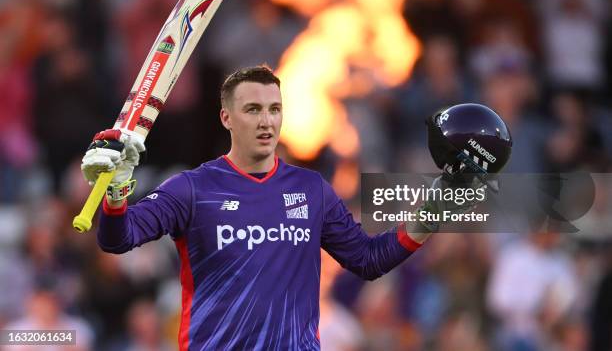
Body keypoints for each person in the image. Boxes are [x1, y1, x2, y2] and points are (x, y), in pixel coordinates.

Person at [81, 66, 510, 350]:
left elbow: (367, 259)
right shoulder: (192, 189)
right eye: (252, 110)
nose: (267, 121)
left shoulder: (311, 189)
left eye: (274, 109)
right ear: (226, 117)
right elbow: (117, 240)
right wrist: (116, 192)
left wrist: (433, 211)